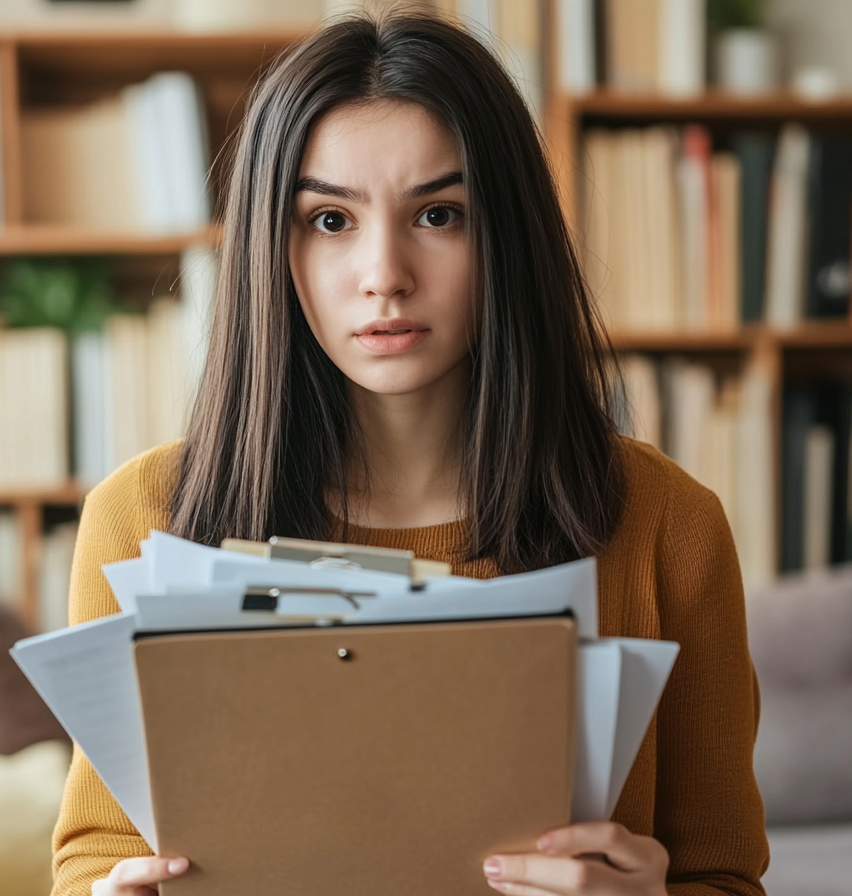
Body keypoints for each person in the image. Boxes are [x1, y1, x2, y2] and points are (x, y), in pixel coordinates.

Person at [51, 10, 768, 896]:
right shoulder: (143, 519)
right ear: (270, 251)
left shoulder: (669, 527)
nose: (384, 272)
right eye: (329, 220)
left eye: (438, 213)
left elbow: (726, 877)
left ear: (508, 236)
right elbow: (91, 855)